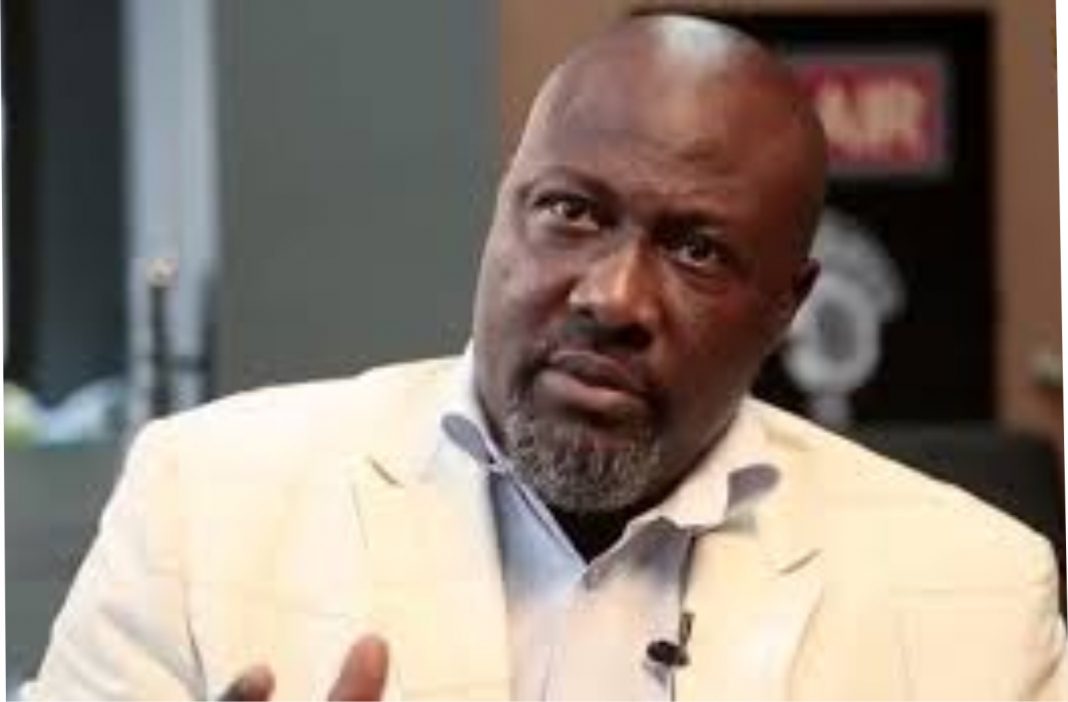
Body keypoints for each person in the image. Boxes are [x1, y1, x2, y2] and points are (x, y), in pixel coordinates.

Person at [26, 12, 1066, 701]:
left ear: (786, 307)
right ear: (502, 212)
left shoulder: (973, 590)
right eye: (571, 212)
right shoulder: (203, 502)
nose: (613, 297)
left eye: (698, 251)